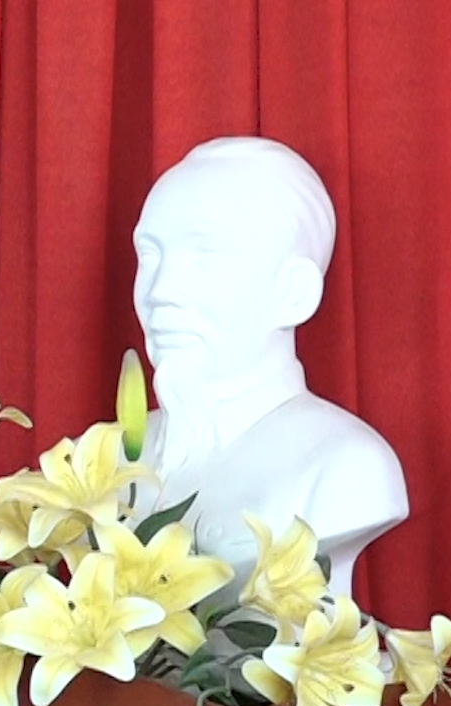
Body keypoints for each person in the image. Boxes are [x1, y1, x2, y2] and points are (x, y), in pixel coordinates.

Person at [130, 136, 409, 598]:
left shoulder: (347, 467)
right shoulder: (105, 459)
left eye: (205, 256)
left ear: (295, 293)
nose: (159, 291)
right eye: (149, 256)